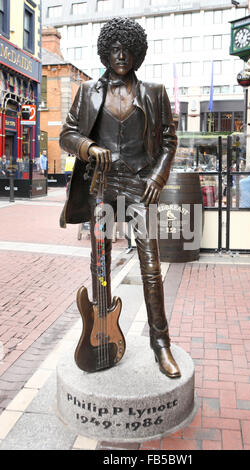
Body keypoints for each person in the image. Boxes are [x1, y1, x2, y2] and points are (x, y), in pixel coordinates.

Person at [59, 17, 180, 378]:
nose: (121, 55)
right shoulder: (87, 91)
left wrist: (158, 175)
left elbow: (170, 141)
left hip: (140, 186)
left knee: (151, 268)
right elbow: (67, 134)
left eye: (127, 48)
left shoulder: (154, 92)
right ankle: (102, 337)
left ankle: (161, 345)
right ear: (105, 52)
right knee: (100, 265)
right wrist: (88, 146)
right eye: (114, 49)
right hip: (102, 186)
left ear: (137, 51)